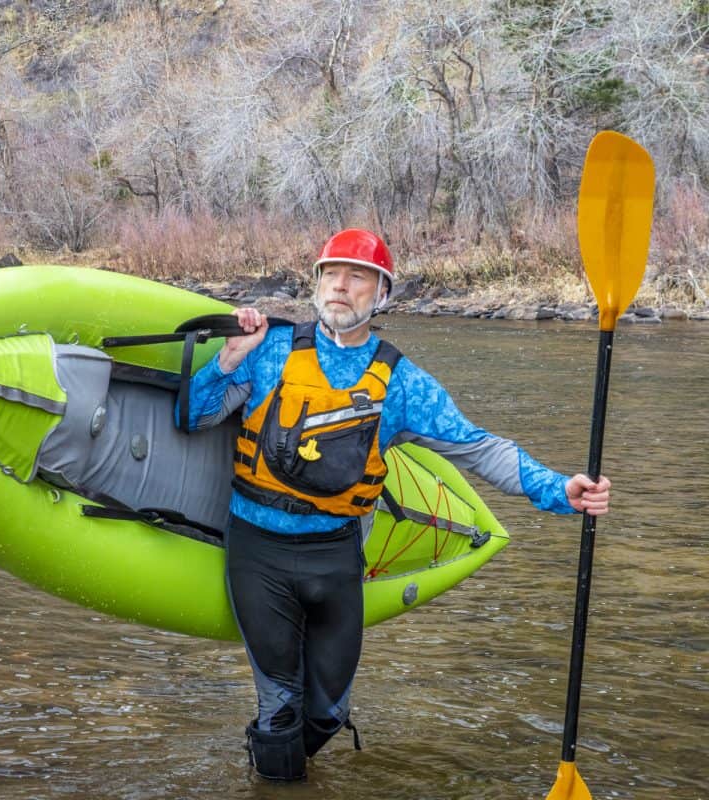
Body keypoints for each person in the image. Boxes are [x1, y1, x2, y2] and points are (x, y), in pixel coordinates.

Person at [178, 228, 611, 781]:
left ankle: (272, 771)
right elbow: (192, 416)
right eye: (330, 274)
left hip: (334, 558)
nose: (340, 285)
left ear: (381, 294)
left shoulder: (403, 384)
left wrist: (560, 489)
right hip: (257, 554)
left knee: (329, 715)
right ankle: (276, 778)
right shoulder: (270, 350)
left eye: (357, 276)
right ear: (315, 285)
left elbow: (478, 448)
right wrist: (227, 359)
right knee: (279, 708)